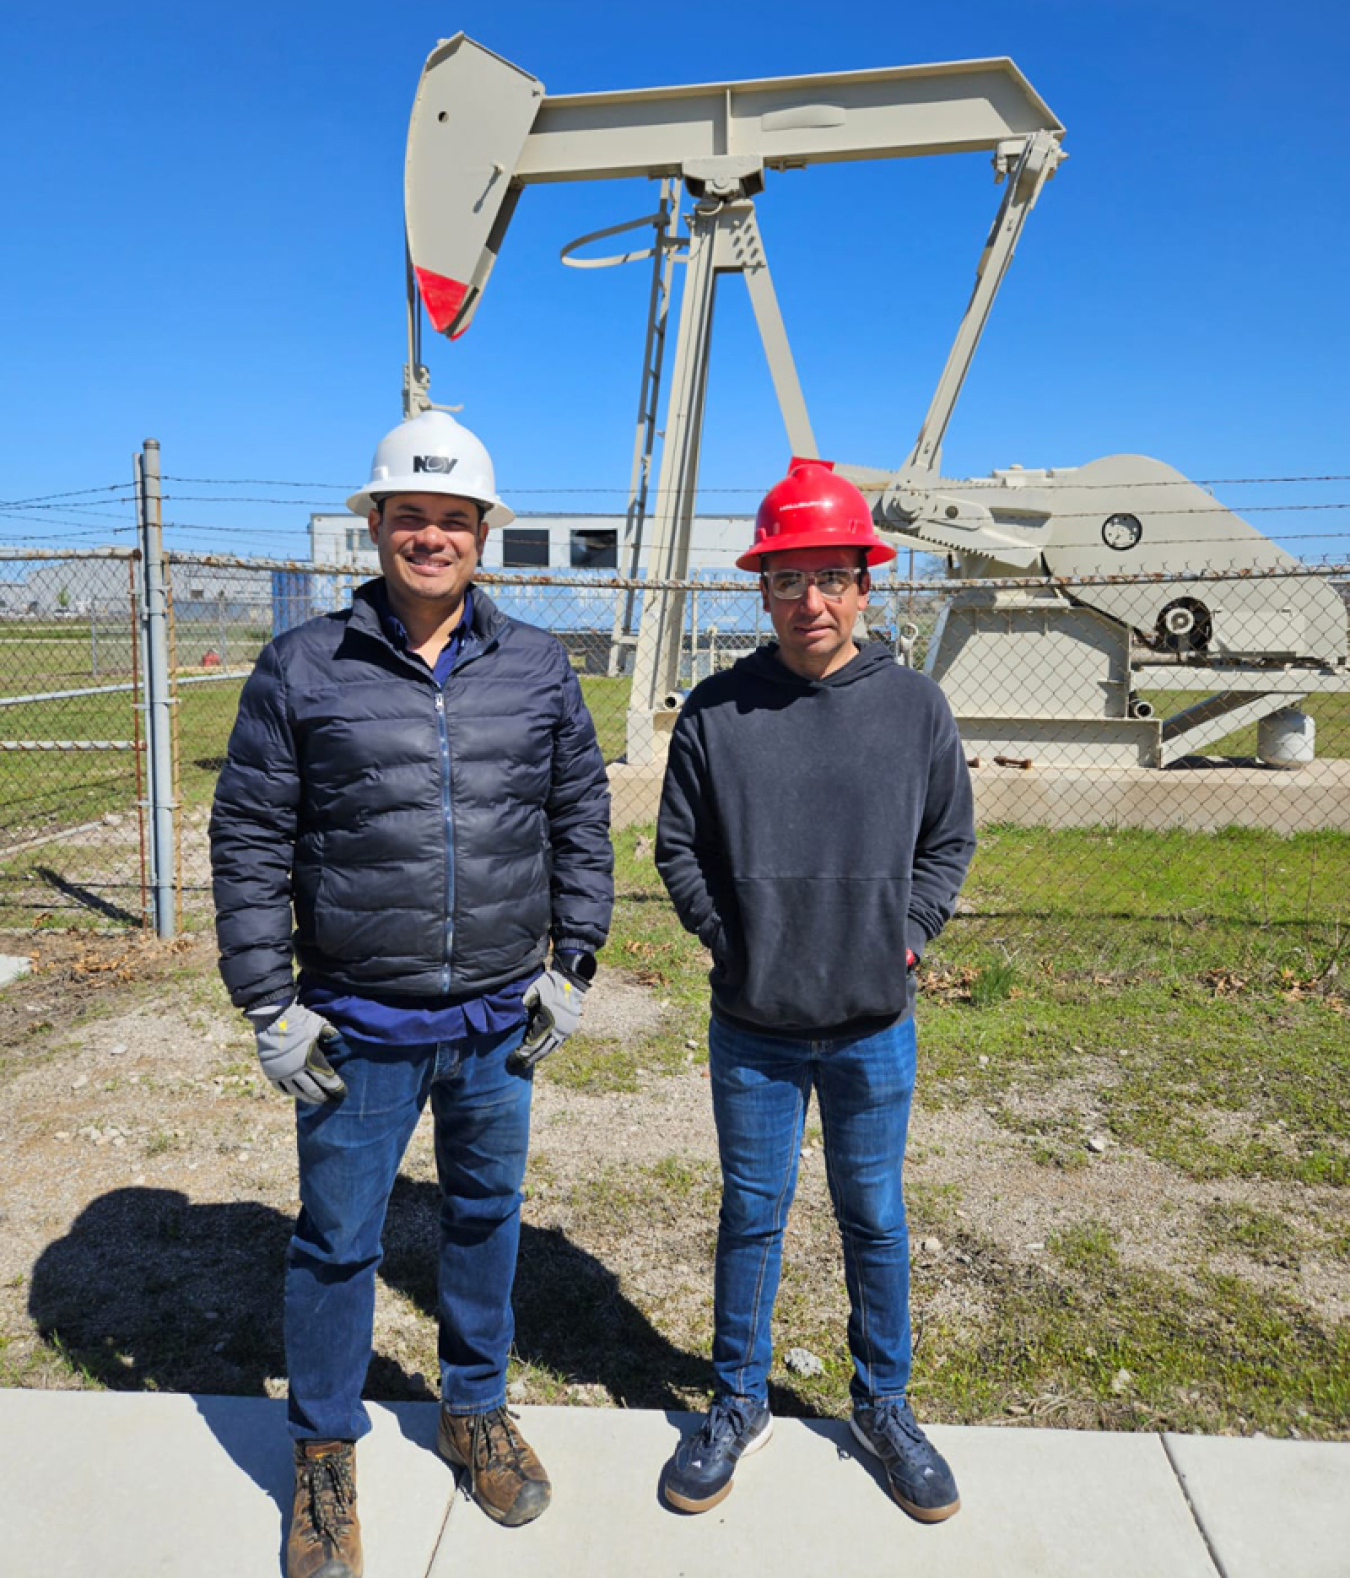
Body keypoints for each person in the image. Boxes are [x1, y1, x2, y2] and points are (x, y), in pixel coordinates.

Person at [210, 410, 613, 1578]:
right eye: (409, 516)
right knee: (339, 1243)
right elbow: (248, 837)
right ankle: (324, 1456)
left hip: (497, 1021)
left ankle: (473, 1407)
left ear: (484, 534)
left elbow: (579, 817)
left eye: (452, 518)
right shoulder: (304, 666)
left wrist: (571, 961)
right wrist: (267, 1003)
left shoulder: (537, 667)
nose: (430, 536)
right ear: (374, 525)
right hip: (361, 1026)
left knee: (486, 1219)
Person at [654, 456, 975, 1523]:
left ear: (867, 586)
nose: (812, 602)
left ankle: (884, 1404)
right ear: (762, 589)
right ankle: (737, 1399)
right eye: (789, 580)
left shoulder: (915, 708)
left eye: (832, 576)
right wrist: (728, 943)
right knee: (753, 1214)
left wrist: (910, 935)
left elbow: (947, 842)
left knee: (873, 1216)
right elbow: (677, 848)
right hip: (753, 1027)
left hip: (874, 1028)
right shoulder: (717, 710)